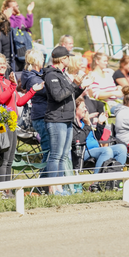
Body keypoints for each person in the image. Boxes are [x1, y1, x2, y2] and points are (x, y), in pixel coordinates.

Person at [41, 46, 92, 195]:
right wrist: (74, 84)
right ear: (63, 59)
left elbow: (70, 95)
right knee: (56, 155)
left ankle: (60, 187)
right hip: (56, 119)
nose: (70, 60)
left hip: (66, 118)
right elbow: (58, 96)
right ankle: (52, 188)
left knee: (63, 156)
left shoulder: (62, 75)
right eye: (68, 57)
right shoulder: (51, 75)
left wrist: (81, 86)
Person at [0, 53, 41, 187]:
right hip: (1, 124)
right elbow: (0, 98)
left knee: (10, 160)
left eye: (4, 63)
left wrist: (33, 90)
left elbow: (20, 101)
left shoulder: (7, 81)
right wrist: (12, 85)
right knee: (3, 160)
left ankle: (7, 190)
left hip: (12, 124)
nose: (2, 65)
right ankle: (1, 190)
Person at [73, 97, 127, 173]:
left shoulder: (83, 122)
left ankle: (115, 180)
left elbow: (96, 137)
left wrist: (100, 123)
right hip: (81, 152)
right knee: (107, 151)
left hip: (96, 149)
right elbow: (79, 139)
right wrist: (88, 125)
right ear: (75, 109)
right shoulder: (73, 124)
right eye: (83, 107)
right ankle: (96, 182)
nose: (85, 109)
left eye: (85, 107)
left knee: (121, 148)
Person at [20, 49, 50, 165]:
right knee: (48, 151)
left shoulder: (38, 74)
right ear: (36, 61)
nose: (44, 60)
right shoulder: (33, 79)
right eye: (42, 58)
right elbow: (49, 92)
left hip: (43, 115)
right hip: (41, 116)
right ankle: (44, 181)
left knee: (50, 151)